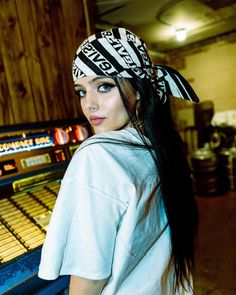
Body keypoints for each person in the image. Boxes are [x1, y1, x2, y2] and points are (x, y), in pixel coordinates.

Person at [38, 27, 199, 294]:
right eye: (81, 91)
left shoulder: (98, 155)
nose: (89, 104)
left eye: (104, 86)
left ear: (137, 90)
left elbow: (89, 278)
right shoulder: (162, 146)